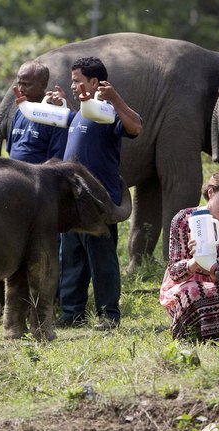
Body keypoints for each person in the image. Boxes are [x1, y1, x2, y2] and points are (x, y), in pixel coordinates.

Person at [46, 56, 142, 329]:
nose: (74, 85)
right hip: (72, 199)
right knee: (71, 257)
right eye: (72, 81)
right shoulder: (79, 116)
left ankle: (108, 315)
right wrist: (63, 104)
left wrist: (116, 99)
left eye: (77, 81)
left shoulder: (108, 112)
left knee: (102, 258)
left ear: (95, 82)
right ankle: (71, 314)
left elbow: (136, 127)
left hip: (99, 200)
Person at [159, 169, 219, 341]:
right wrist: (195, 261)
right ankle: (188, 337)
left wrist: (215, 269)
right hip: (183, 284)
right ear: (211, 192)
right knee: (194, 291)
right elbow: (175, 273)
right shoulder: (184, 219)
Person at [7, 61, 68, 162]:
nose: (21, 89)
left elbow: (56, 160)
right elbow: (11, 149)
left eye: (27, 85)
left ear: (43, 85)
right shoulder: (20, 112)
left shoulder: (55, 115)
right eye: (19, 84)